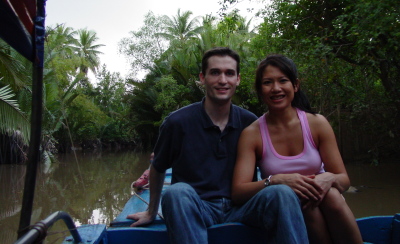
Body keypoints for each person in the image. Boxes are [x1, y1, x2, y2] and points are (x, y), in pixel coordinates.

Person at [127, 47, 309, 244]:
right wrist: (151, 211)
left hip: (242, 206)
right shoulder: (177, 123)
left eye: (229, 73)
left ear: (238, 79)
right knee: (176, 192)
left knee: (281, 192)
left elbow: (272, 166)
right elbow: (159, 166)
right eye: (215, 72)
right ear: (202, 78)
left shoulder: (251, 122)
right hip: (198, 206)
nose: (223, 80)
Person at [232, 54, 363, 244]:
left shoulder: (317, 123)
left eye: (283, 81)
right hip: (290, 211)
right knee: (305, 204)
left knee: (332, 194)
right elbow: (238, 192)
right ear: (260, 90)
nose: (276, 88)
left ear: (295, 85)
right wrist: (276, 180)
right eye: (268, 82)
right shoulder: (252, 134)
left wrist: (329, 178)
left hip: (328, 203)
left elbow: (344, 180)